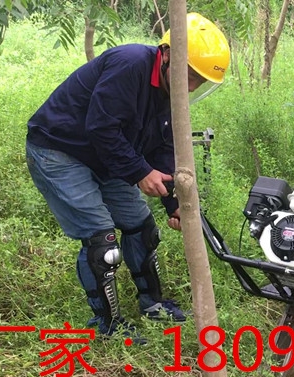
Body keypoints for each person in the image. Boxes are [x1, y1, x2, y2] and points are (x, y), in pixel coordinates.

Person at [26, 13, 230, 336]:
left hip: (106, 157)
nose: (191, 87)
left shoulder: (169, 92)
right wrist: (139, 172)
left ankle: (153, 304)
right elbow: (101, 128)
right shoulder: (130, 65)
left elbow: (163, 146)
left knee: (143, 229)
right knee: (102, 242)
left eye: (199, 82)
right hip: (60, 150)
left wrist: (174, 202)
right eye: (189, 75)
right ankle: (107, 326)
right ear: (167, 55)